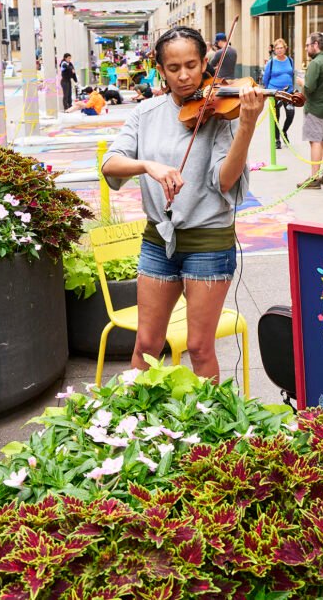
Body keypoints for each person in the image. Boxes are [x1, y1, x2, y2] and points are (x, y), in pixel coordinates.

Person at [100, 26, 265, 382]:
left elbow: (225, 180)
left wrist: (248, 127)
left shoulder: (224, 112)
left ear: (206, 61)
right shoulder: (146, 113)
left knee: (200, 346)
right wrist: (147, 165)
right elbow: (110, 165)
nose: (185, 75)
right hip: (158, 241)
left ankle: (211, 431)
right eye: (173, 68)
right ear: (161, 68)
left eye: (192, 64)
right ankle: (134, 424)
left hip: (208, 243)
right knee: (146, 341)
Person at [297, 33, 323, 189]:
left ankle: (314, 178)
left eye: (308, 45)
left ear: (315, 44)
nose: (306, 48)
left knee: (315, 142)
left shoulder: (316, 63)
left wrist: (302, 82)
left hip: (315, 109)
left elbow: (309, 88)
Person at [261, 37, 295, 147]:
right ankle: (277, 139)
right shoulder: (271, 63)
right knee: (276, 116)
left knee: (290, 114)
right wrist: (267, 92)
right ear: (274, 49)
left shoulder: (290, 60)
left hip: (288, 91)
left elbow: (292, 74)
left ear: (285, 48)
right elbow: (265, 79)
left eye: (281, 48)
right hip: (274, 92)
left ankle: (284, 131)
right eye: (277, 48)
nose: (280, 50)